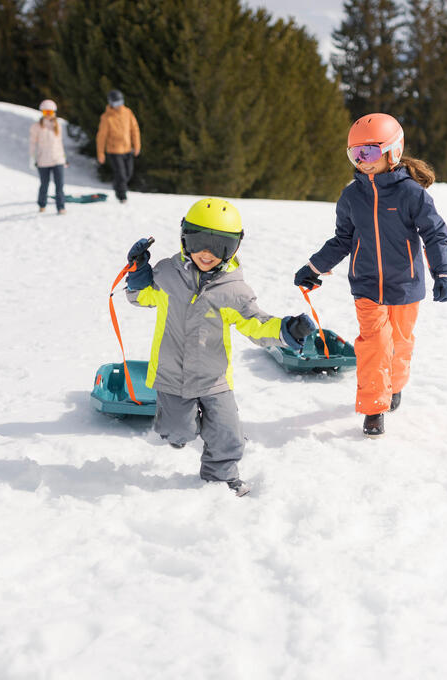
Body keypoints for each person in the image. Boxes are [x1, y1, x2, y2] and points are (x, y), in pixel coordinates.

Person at [125, 197, 316, 497]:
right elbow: (140, 297)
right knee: (180, 431)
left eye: (220, 246)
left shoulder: (233, 290)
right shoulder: (166, 275)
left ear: (235, 247)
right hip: (172, 376)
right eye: (200, 240)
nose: (207, 253)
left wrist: (285, 330)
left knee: (228, 434)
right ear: (185, 237)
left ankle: (221, 475)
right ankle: (179, 428)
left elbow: (255, 323)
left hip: (214, 379)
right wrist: (137, 274)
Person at [294, 113, 447, 438]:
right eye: (355, 155)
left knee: (400, 342)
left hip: (406, 286)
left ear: (393, 152)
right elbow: (342, 239)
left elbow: (435, 234)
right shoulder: (353, 195)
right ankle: (373, 407)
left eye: (368, 153)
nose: (362, 162)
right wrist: (313, 267)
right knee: (374, 345)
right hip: (367, 286)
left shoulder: (412, 194)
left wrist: (444, 272)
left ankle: (395, 385)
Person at [96, 89, 141, 204]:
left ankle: (117, 186)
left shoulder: (128, 112)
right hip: (114, 150)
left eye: (120, 102)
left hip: (127, 149)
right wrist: (100, 153)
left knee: (128, 174)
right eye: (116, 103)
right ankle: (122, 196)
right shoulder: (106, 117)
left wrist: (137, 145)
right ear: (111, 103)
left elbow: (134, 129)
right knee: (121, 174)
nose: (119, 106)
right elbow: (101, 136)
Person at [29, 99, 68, 215]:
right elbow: (32, 143)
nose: (47, 115)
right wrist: (32, 157)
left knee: (59, 185)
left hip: (58, 160)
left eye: (49, 113)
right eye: (45, 112)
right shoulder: (36, 127)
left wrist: (64, 158)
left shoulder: (57, 126)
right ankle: (42, 204)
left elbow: (60, 143)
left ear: (54, 113)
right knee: (44, 184)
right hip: (43, 161)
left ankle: (61, 207)